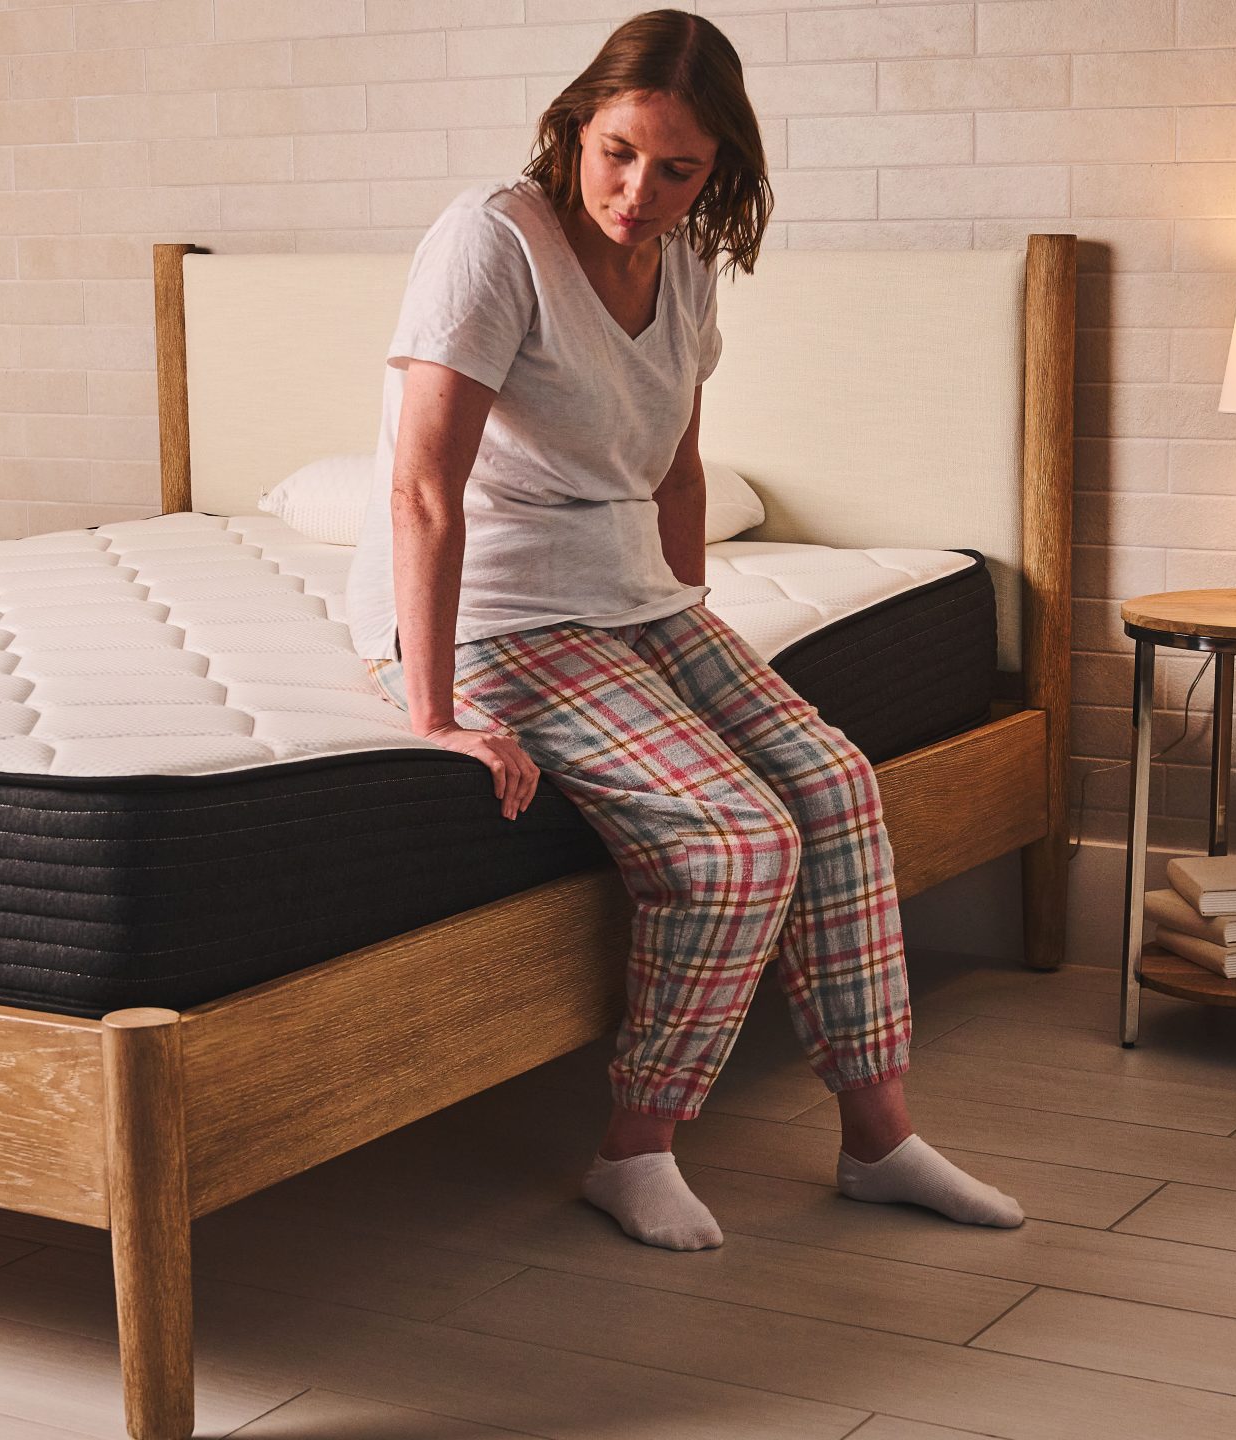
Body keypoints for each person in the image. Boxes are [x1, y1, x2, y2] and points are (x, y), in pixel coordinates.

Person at [341, 9, 1022, 1252]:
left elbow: (679, 476)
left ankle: (879, 1141)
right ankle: (636, 1148)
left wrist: (696, 635)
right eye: (615, 153)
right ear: (573, 128)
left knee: (832, 784)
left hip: (639, 596)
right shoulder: (492, 240)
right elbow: (422, 488)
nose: (636, 191)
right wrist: (430, 711)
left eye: (676, 169)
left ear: (722, 173)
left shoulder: (688, 263)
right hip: (507, 606)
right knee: (735, 835)